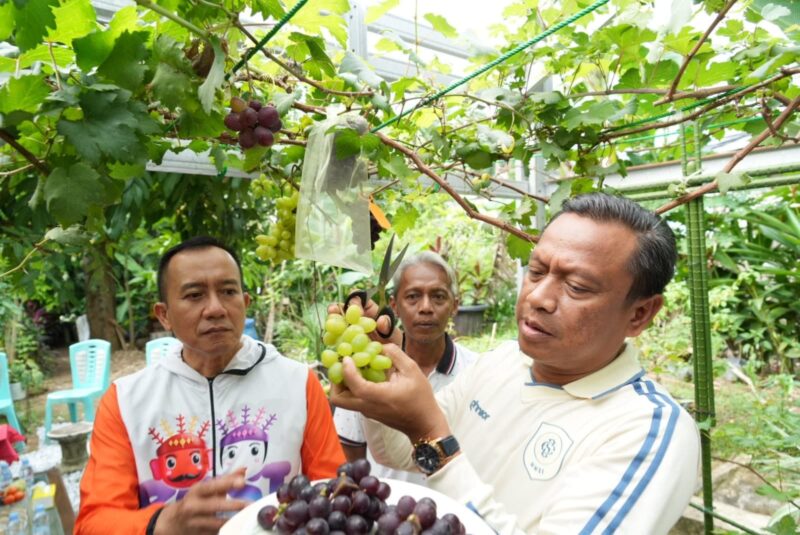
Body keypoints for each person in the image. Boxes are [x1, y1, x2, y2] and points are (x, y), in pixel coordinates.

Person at [331, 193, 701, 534]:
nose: (538, 297)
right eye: (537, 272)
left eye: (577, 287)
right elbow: (401, 453)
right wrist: (381, 371)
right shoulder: (504, 363)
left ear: (639, 314)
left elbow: (433, 444)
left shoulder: (645, 432)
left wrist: (433, 437)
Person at [76, 236, 344, 535]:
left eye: (228, 291)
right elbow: (93, 522)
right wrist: (160, 523)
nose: (215, 308)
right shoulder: (126, 402)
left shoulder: (298, 384)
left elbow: (335, 493)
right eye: (194, 295)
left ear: (244, 303)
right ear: (164, 315)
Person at [334, 252, 477, 484]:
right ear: (394, 306)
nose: (426, 307)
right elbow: (351, 455)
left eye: (439, 297)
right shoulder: (366, 371)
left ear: (454, 306)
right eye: (413, 297)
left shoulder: (475, 371)